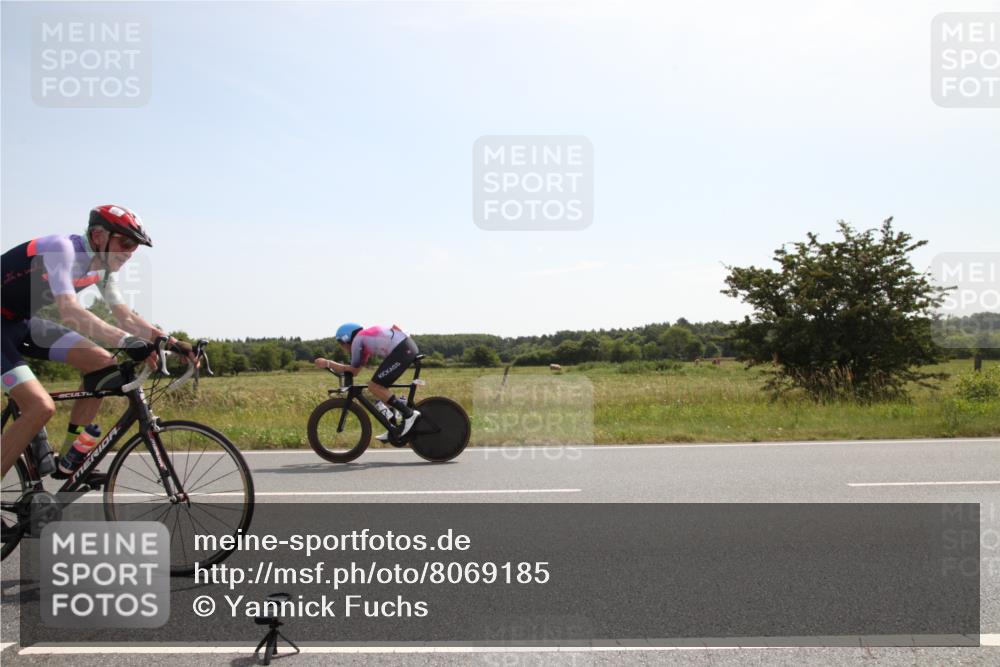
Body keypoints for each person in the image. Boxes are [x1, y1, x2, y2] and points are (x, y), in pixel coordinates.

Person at [1, 204, 192, 479]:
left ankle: (70, 460)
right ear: (98, 235)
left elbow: (124, 316)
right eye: (125, 242)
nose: (129, 253)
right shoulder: (61, 250)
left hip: (19, 322)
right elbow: (69, 309)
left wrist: (171, 343)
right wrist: (129, 342)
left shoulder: (102, 269)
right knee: (39, 407)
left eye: (135, 246)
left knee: (104, 364)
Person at [314, 323, 421, 441]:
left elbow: (352, 369)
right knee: (380, 389)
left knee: (374, 386)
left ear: (346, 338)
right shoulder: (364, 342)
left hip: (403, 350)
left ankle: (409, 414)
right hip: (405, 347)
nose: (342, 347)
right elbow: (355, 371)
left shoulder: (358, 340)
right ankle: (394, 428)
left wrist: (328, 363)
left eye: (341, 343)